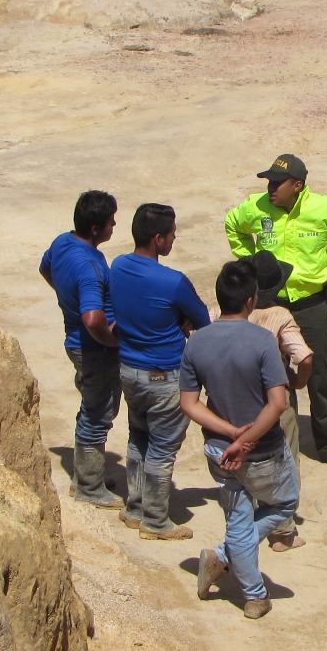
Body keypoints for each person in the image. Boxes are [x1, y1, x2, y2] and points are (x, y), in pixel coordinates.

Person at [225, 153, 327, 472]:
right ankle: (270, 442)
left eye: (278, 183)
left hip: (310, 304)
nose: (271, 188)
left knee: (318, 373)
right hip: (270, 303)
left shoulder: (324, 208)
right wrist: (251, 263)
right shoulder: (257, 206)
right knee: (267, 373)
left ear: (298, 185)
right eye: (269, 182)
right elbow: (233, 225)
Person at [180, 259, 299, 620]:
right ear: (251, 300)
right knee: (285, 503)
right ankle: (230, 563)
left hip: (219, 449)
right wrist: (245, 439)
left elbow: (189, 404)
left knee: (238, 517)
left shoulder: (197, 342)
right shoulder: (262, 341)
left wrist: (231, 433)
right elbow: (277, 403)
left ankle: (252, 593)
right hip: (262, 450)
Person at [108, 203, 211, 539]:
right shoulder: (173, 282)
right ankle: (155, 521)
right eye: (171, 234)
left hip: (129, 370)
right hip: (164, 376)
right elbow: (203, 321)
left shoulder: (118, 266)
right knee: (162, 449)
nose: (174, 238)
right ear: (157, 238)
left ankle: (135, 508)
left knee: (138, 438)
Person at [39, 190, 123, 508]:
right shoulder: (89, 266)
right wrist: (112, 341)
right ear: (95, 228)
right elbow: (92, 318)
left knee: (94, 406)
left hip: (79, 343)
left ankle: (88, 474)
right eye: (110, 222)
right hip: (94, 349)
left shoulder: (63, 242)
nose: (114, 225)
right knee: (98, 412)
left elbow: (45, 268)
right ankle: (89, 486)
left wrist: (67, 299)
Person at [247, 250, 313, 551]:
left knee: (249, 456)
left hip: (242, 394)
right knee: (284, 457)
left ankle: (249, 518)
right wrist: (298, 381)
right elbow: (304, 357)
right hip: (276, 393)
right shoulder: (280, 316)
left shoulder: (231, 313)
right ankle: (283, 531)